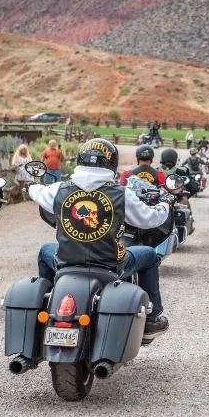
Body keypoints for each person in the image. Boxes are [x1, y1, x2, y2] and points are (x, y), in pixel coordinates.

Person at [29, 138, 173, 337]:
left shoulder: (59, 189)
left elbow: (36, 191)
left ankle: (45, 304)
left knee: (45, 250)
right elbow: (151, 219)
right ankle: (151, 318)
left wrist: (31, 185)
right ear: (111, 163)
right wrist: (165, 203)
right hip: (109, 263)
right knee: (148, 255)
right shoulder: (121, 194)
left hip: (67, 261)